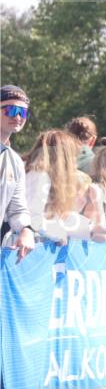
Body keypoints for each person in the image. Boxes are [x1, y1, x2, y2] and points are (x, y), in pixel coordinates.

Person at [0, 85, 36, 262]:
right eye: (11, 109)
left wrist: (26, 229)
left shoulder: (15, 161)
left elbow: (17, 209)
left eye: (23, 112)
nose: (18, 116)